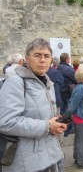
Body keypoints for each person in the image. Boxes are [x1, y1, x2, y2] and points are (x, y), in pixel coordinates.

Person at [0, 38, 67, 172]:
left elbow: (41, 115)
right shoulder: (15, 82)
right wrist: (47, 126)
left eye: (46, 56)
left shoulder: (48, 83)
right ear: (27, 59)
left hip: (50, 156)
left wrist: (55, 121)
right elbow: (6, 122)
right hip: (27, 162)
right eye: (37, 55)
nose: (42, 60)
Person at [57, 53, 77, 137]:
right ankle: (67, 129)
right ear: (67, 60)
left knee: (62, 110)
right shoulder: (67, 69)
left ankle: (60, 126)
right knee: (69, 111)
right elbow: (75, 78)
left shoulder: (58, 67)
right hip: (67, 91)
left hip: (61, 91)